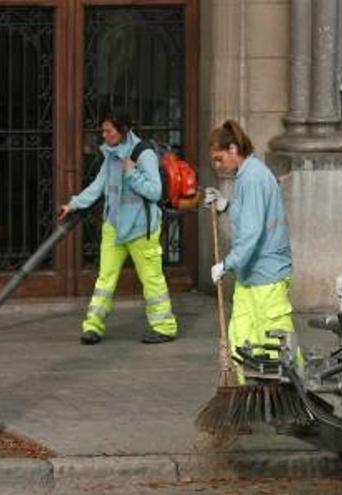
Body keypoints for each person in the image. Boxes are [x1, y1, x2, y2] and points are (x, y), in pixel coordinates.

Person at [58, 115, 178, 345]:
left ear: (123, 130)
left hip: (141, 229)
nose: (104, 135)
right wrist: (73, 204)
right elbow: (98, 186)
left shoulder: (144, 153)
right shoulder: (110, 155)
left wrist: (131, 173)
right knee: (105, 278)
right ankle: (92, 327)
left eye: (108, 131)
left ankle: (165, 326)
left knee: (152, 278)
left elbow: (155, 191)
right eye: (102, 131)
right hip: (113, 226)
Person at [202, 120, 295, 383]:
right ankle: (247, 401)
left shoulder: (253, 177)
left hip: (267, 276)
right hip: (252, 276)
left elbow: (252, 233)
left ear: (233, 149)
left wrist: (226, 264)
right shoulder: (246, 175)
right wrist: (225, 205)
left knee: (275, 343)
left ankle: (294, 400)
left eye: (219, 159)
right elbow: (251, 218)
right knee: (242, 343)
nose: (218, 166)